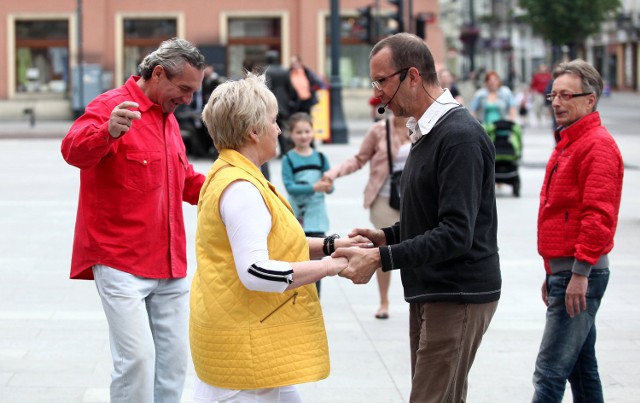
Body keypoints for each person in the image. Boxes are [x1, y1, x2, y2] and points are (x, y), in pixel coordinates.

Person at [334, 32, 501, 403]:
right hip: (434, 290)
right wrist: (387, 237)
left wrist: (382, 258)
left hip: (457, 292)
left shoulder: (458, 136)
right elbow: (431, 218)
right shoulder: (428, 131)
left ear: (412, 75)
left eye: (382, 82)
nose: (378, 95)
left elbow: (457, 232)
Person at [190, 73, 370, 403]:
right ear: (253, 131)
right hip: (244, 346)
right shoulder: (242, 188)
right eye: (274, 121)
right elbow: (256, 272)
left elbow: (276, 239)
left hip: (246, 336)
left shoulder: (234, 175)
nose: (279, 130)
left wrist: (331, 244)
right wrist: (330, 267)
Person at [60, 38, 207, 403]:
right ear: (158, 74)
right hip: (120, 261)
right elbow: (72, 150)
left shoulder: (169, 119)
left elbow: (185, 180)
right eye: (184, 89)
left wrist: (236, 189)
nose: (189, 99)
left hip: (169, 265)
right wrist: (106, 132)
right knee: (137, 361)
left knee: (173, 365)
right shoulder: (111, 105)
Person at [532, 59, 624, 403]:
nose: (556, 102)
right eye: (553, 95)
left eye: (566, 95)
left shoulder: (597, 145)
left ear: (590, 100)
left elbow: (598, 215)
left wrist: (579, 272)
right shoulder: (572, 141)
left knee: (549, 371)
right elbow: (562, 215)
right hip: (567, 271)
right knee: (581, 372)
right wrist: (552, 270)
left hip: (580, 272)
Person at [323, 113, 411, 319]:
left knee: (416, 247)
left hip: (414, 199)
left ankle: (417, 297)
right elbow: (359, 159)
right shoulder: (379, 130)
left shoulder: (421, 126)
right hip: (383, 199)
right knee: (384, 249)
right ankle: (384, 301)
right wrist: (333, 173)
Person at [281, 112, 334, 296]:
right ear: (291, 134)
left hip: (317, 219)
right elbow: (290, 187)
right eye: (299, 132)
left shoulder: (320, 158)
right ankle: (299, 296)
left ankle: (315, 297)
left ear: (313, 132)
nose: (303, 136)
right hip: (297, 218)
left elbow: (329, 185)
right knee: (299, 262)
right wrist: (314, 187)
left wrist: (327, 187)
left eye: (307, 131)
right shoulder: (288, 159)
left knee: (317, 263)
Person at [265, 49, 299, 157]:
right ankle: (285, 150)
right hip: (284, 102)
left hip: (271, 102)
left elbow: (266, 87)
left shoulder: (267, 71)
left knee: (274, 126)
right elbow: (290, 87)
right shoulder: (284, 71)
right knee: (283, 128)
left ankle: (281, 150)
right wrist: (290, 99)